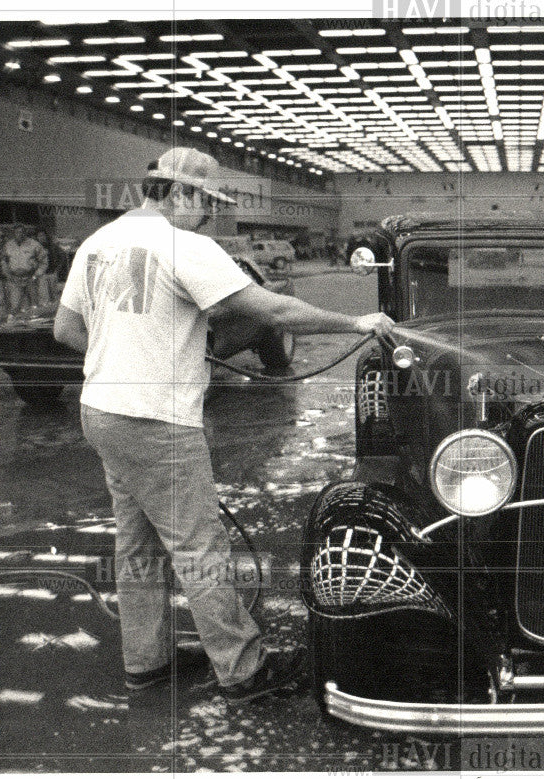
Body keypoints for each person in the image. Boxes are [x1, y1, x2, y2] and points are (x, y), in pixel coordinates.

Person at [53, 147, 394, 703]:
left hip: (104, 412)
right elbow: (274, 313)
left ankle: (147, 662)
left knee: (138, 545)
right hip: (154, 419)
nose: (210, 214)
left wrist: (131, 352)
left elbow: (67, 330)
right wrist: (358, 320)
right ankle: (244, 671)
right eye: (206, 202)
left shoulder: (98, 242)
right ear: (181, 193)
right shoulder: (185, 246)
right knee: (198, 548)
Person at [1, 224, 46, 316]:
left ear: (25, 233)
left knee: (34, 305)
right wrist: (8, 275)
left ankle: (34, 322)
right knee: (16, 305)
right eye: (17, 232)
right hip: (15, 279)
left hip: (30, 278)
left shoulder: (34, 244)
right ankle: (19, 325)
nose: (19, 234)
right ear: (13, 233)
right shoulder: (8, 245)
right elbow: (3, 261)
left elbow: (44, 261)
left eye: (21, 232)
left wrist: (36, 275)